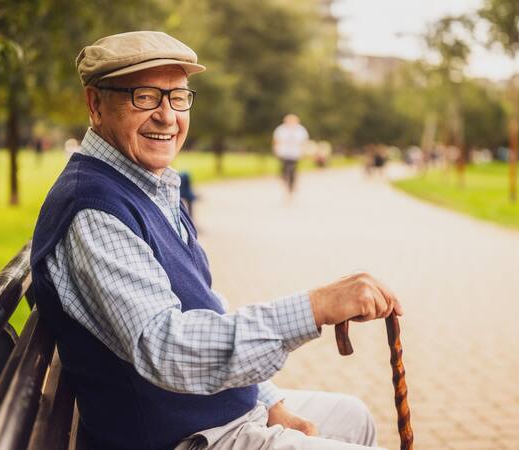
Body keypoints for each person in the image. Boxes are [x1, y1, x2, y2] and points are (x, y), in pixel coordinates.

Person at [30, 31, 403, 450]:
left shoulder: (147, 187)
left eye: (177, 97)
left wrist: (268, 400)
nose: (167, 116)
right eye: (144, 97)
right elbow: (167, 348)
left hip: (217, 415)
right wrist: (315, 307)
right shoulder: (94, 210)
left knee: (354, 416)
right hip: (183, 438)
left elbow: (205, 308)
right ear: (96, 104)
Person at [272, 114, 309, 196]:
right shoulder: (280, 129)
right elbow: (276, 141)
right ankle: (285, 180)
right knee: (284, 169)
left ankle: (291, 185)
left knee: (293, 169)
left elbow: (304, 142)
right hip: (284, 152)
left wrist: (303, 151)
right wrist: (276, 149)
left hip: (295, 153)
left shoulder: (301, 130)